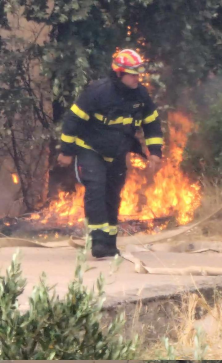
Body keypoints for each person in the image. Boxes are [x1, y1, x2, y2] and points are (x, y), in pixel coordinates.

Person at [57, 48, 165, 258]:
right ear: (119, 73)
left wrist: (154, 152)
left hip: (118, 153)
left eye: (138, 74)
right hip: (91, 149)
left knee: (113, 195)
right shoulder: (98, 92)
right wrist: (67, 151)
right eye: (132, 74)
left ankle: (110, 242)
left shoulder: (141, 95)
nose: (137, 78)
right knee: (96, 189)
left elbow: (152, 123)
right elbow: (73, 120)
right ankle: (98, 242)